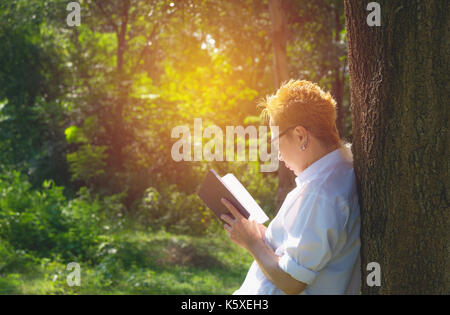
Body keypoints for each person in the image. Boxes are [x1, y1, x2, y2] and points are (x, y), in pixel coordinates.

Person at [220, 80, 361, 295]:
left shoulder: (320, 192)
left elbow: (292, 281)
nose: (278, 154)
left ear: (300, 136)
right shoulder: (339, 170)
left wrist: (253, 244)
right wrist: (259, 236)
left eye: (277, 142)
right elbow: (305, 247)